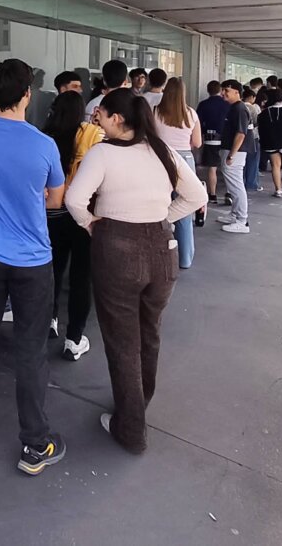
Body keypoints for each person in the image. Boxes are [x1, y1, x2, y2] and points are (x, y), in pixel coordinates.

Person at [65, 91, 206, 453]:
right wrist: (161, 220)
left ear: (118, 119)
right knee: (150, 334)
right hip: (162, 250)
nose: (99, 117)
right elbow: (196, 197)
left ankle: (130, 429)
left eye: (104, 114)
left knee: (122, 341)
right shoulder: (162, 151)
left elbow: (74, 200)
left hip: (117, 251)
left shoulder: (102, 153)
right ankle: (137, 407)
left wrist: (92, 224)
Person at [0, 59, 68, 476]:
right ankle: (35, 444)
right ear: (26, 95)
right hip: (33, 262)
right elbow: (55, 200)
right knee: (31, 350)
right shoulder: (43, 145)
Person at [42, 90, 103, 358]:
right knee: (81, 277)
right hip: (82, 215)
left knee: (52, 271)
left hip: (51, 214)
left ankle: (49, 321)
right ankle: (74, 339)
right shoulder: (90, 134)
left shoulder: (43, 137)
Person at [153, 78, 201, 268]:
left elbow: (150, 136)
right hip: (185, 161)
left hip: (160, 159)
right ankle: (185, 258)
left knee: (158, 206)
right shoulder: (191, 113)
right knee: (184, 210)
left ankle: (157, 253)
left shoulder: (156, 111)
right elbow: (197, 143)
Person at [218, 79, 252, 233]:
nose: (223, 93)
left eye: (227, 90)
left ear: (237, 92)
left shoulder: (239, 109)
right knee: (232, 184)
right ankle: (234, 214)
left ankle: (242, 220)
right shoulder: (233, 108)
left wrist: (231, 154)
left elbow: (241, 133)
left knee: (236, 185)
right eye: (222, 90)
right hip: (230, 150)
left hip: (235, 152)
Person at [195, 80, 228, 208]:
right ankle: (229, 193)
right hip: (225, 139)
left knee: (212, 168)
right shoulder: (226, 104)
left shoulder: (204, 104)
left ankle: (212, 195)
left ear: (208, 90)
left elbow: (198, 122)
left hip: (210, 138)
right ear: (220, 90)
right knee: (227, 167)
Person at [242, 87, 263, 194]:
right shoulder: (253, 108)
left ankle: (241, 182)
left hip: (239, 138)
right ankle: (251, 183)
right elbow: (256, 123)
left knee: (241, 162)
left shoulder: (237, 106)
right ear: (251, 97)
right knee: (253, 161)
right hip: (253, 137)